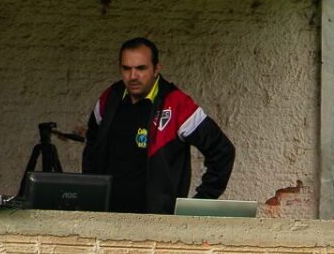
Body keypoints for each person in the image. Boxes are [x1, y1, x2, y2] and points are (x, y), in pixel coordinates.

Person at [82, 37, 236, 215]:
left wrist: (200, 203)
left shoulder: (177, 104)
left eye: (141, 68)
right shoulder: (109, 98)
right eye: (126, 68)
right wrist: (91, 193)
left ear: (156, 69)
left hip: (157, 221)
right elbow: (92, 146)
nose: (133, 76)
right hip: (107, 216)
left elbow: (222, 151)